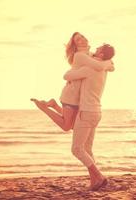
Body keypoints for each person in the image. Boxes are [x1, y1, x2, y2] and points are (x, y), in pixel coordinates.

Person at [31, 32, 113, 131]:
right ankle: (43, 108)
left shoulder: (90, 54)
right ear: (76, 45)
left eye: (82, 36)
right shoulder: (80, 55)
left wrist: (109, 63)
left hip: (79, 98)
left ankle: (54, 105)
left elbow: (112, 68)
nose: (82, 39)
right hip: (71, 95)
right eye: (78, 40)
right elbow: (100, 66)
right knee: (67, 126)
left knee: (75, 126)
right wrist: (108, 62)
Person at [63, 43, 115, 191]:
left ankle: (99, 176)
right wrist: (105, 63)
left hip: (86, 112)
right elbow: (111, 65)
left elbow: (66, 76)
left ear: (102, 55)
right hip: (97, 112)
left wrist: (77, 65)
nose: (95, 50)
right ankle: (94, 181)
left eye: (98, 49)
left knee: (77, 149)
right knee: (88, 149)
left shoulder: (90, 69)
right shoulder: (104, 68)